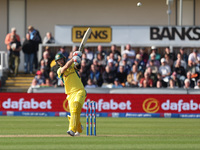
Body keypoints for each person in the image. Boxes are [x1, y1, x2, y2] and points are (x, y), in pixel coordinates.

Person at [55, 52, 86, 136]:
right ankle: (79, 128)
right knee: (73, 112)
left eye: (61, 59)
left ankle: (71, 130)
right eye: (58, 61)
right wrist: (73, 59)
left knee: (76, 107)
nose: (60, 62)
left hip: (80, 90)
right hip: (70, 94)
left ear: (64, 59)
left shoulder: (72, 65)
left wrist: (78, 60)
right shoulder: (59, 71)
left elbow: (78, 67)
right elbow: (65, 68)